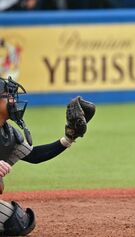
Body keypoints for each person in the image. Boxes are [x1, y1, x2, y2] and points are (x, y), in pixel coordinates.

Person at [0, 76, 95, 236]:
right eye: (8, 96)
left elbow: (34, 155)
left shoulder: (7, 133)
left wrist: (68, 139)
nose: (13, 101)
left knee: (18, 222)